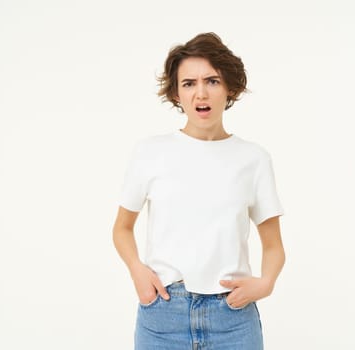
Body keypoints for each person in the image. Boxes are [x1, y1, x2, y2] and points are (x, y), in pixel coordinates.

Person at [112, 32, 286, 350]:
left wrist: (265, 284)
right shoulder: (150, 152)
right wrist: (137, 270)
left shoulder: (254, 158)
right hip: (163, 315)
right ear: (176, 94)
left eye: (212, 81)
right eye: (189, 83)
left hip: (232, 320)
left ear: (229, 87)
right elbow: (122, 228)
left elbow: (273, 246)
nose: (200, 93)